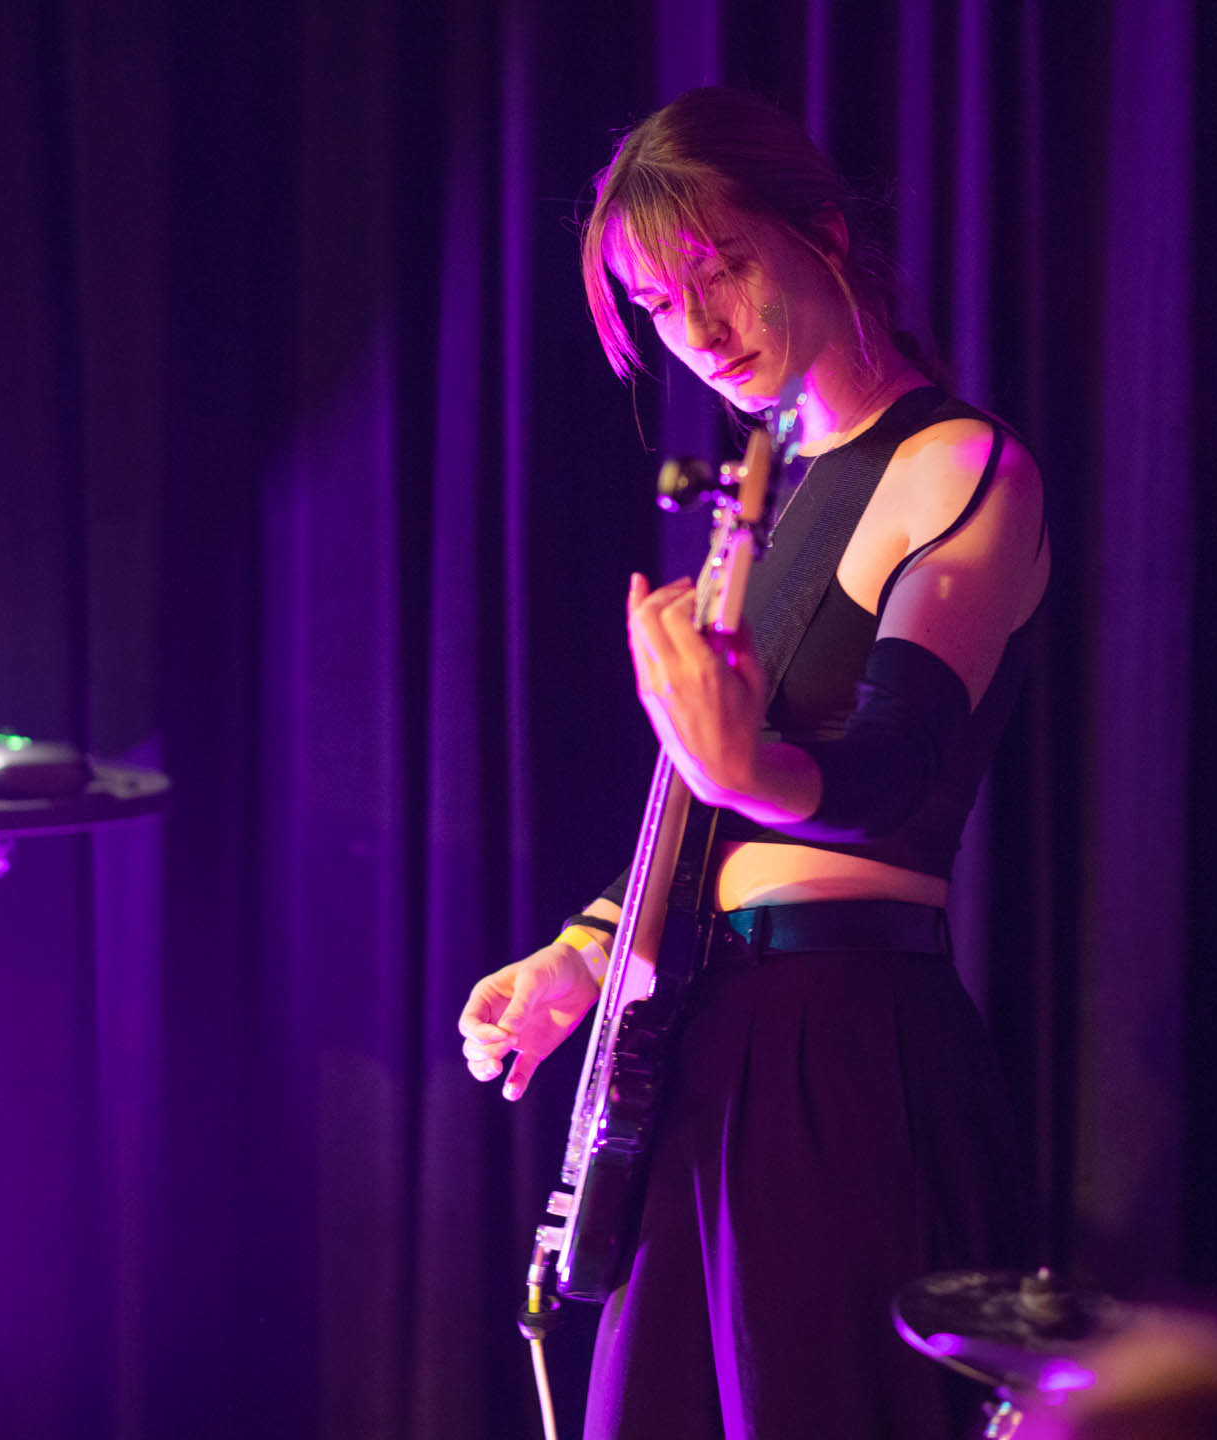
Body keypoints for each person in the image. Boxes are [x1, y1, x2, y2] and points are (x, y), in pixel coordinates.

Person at [457, 85, 1050, 1440]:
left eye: (720, 269)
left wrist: (745, 773)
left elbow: (894, 773)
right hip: (709, 1042)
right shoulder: (765, 500)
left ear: (823, 233)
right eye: (659, 305)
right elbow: (708, 829)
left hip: (838, 1047)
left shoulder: (961, 464)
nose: (700, 330)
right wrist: (584, 955)